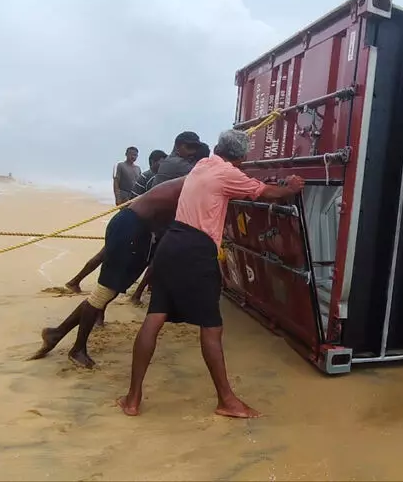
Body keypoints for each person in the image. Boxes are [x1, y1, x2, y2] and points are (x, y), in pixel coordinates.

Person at [118, 130, 304, 418]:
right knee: (211, 326)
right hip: (196, 250)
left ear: (217, 148)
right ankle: (227, 401)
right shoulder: (229, 174)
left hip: (171, 244)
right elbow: (268, 193)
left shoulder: (203, 165)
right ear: (241, 157)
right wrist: (290, 187)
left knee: (155, 318)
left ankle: (132, 399)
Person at [30, 177, 187, 368]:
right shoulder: (195, 183)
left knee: (107, 293)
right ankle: (77, 349)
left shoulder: (189, 180)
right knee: (103, 292)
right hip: (131, 227)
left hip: (135, 227)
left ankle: (56, 333)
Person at [64, 135, 203, 296]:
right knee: (111, 256)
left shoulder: (144, 171)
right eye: (190, 148)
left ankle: (80, 283)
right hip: (134, 218)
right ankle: (84, 286)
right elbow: (127, 190)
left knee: (111, 255)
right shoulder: (150, 175)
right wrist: (118, 200)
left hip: (136, 218)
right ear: (154, 162)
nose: (192, 153)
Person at [128, 141, 211, 305]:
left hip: (155, 219)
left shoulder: (171, 167)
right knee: (153, 259)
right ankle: (138, 293)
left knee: (154, 259)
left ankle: (143, 291)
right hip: (156, 221)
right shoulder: (188, 171)